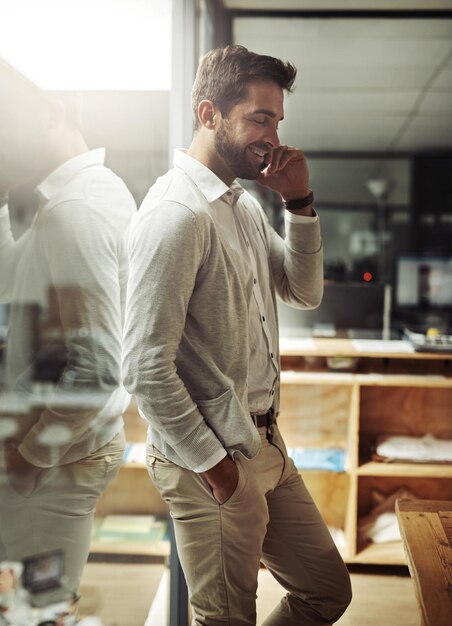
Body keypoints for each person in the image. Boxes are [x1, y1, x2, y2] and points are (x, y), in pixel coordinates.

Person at [123, 45, 352, 626]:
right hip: (213, 458)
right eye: (259, 118)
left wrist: (299, 204)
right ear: (209, 115)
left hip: (266, 444)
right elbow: (144, 366)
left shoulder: (241, 206)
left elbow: (301, 291)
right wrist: (218, 471)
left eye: (276, 120)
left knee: (325, 591)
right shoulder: (177, 214)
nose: (272, 136)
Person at [0, 60, 136, 593]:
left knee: (35, 609)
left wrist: (29, 456)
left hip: (50, 461)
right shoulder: (73, 196)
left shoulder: (73, 209)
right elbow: (12, 284)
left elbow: (98, 366)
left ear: (54, 114)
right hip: (53, 448)